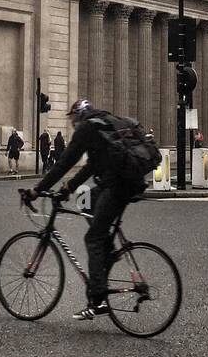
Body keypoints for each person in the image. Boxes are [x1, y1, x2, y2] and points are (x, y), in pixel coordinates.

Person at [31, 99, 150, 321]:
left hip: (118, 185)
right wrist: (69, 188)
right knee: (86, 202)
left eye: (73, 118)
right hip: (129, 181)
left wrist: (38, 190)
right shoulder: (104, 122)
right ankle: (107, 253)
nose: (73, 123)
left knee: (92, 238)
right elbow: (92, 166)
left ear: (79, 115)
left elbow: (64, 163)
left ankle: (98, 300)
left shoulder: (87, 128)